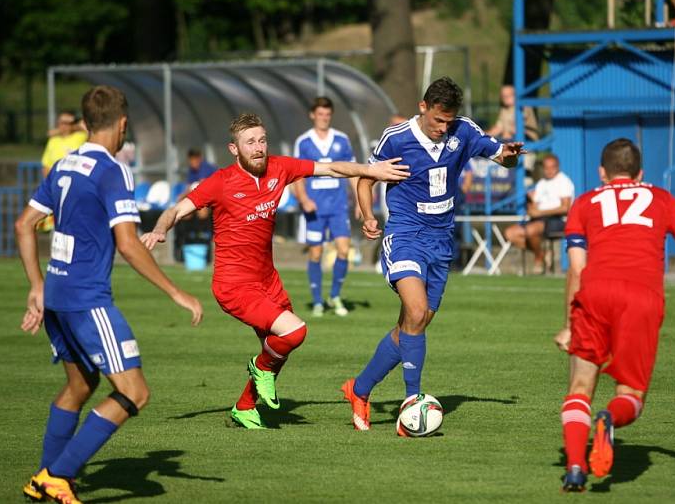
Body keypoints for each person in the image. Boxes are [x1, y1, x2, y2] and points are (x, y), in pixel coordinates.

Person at [140, 113, 409, 430]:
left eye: (262, 140)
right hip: (234, 285)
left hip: (268, 280)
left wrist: (369, 170)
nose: (258, 148)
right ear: (234, 148)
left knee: (276, 348)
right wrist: (159, 229)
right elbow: (177, 208)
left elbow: (331, 168)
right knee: (294, 332)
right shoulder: (221, 182)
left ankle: (244, 406)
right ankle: (259, 369)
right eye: (250, 142)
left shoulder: (279, 168)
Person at [15, 85, 203, 504]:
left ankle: (45, 479)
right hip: (86, 298)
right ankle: (57, 475)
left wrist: (36, 286)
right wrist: (177, 293)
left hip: (57, 296)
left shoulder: (64, 163)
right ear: (122, 124)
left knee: (80, 386)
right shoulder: (113, 170)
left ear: (84, 123)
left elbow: (24, 224)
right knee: (135, 392)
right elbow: (129, 243)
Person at [341, 77, 525, 433]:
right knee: (415, 310)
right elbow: (365, 178)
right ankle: (413, 403)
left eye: (449, 122)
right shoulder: (396, 138)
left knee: (414, 324)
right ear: (423, 107)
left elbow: (502, 156)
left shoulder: (464, 131)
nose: (443, 128)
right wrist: (367, 214)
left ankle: (359, 389)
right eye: (438, 120)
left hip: (441, 241)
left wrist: (511, 158)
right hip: (405, 234)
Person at [553, 138, 675, 491]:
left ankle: (576, 468)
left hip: (595, 292)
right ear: (640, 173)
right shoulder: (661, 198)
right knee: (631, 393)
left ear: (602, 173)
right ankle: (609, 418)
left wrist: (568, 324)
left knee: (580, 387)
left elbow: (577, 268)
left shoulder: (584, 202)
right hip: (642, 298)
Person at [292, 97, 359, 317]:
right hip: (315, 209)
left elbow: (353, 172)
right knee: (315, 253)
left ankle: (335, 296)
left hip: (339, 207)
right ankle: (318, 301)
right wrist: (304, 200)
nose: (324, 118)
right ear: (313, 115)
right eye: (320, 114)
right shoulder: (304, 141)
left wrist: (360, 201)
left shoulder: (341, 139)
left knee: (343, 250)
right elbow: (296, 175)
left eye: (327, 115)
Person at [504, 153, 575, 274]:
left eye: (552, 167)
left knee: (531, 230)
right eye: (546, 167)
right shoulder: (542, 183)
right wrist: (531, 205)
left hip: (557, 220)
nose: (549, 170)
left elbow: (566, 208)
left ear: (557, 167)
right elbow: (534, 207)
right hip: (539, 220)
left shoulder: (564, 182)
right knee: (510, 234)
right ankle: (543, 254)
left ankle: (538, 260)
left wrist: (540, 212)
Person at [42, 111, 88, 178]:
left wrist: (73, 125)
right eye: (61, 122)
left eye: (67, 123)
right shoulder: (53, 140)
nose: (64, 125)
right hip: (57, 182)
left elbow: (88, 129)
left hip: (76, 180)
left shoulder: (81, 136)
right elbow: (46, 166)